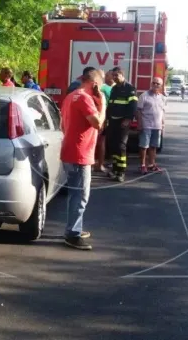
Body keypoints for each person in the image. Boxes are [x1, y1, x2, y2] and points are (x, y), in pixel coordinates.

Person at [60, 69, 106, 250]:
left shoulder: (71, 96)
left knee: (74, 194)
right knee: (80, 196)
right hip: (80, 154)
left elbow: (63, 125)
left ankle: (74, 227)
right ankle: (72, 234)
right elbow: (98, 123)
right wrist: (103, 105)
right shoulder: (85, 99)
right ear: (94, 84)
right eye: (100, 86)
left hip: (70, 151)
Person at [106, 67, 138, 182]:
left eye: (116, 75)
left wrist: (128, 119)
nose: (114, 78)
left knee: (121, 146)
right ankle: (115, 170)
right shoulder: (114, 88)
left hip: (123, 122)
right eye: (112, 76)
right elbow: (111, 104)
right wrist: (107, 118)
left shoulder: (130, 88)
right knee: (113, 146)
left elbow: (133, 105)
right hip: (113, 121)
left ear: (121, 75)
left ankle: (121, 172)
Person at [137, 77, 166, 174]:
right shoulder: (144, 96)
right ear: (151, 83)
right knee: (144, 146)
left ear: (161, 86)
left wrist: (162, 124)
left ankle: (151, 165)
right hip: (146, 125)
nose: (155, 85)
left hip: (157, 126)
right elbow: (139, 111)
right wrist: (140, 124)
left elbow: (162, 112)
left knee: (154, 146)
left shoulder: (162, 98)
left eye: (158, 84)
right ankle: (142, 165)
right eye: (154, 83)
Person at [94, 70, 114, 173]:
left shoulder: (90, 88)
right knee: (101, 142)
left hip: (90, 118)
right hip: (102, 119)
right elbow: (112, 104)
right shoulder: (108, 89)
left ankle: (90, 163)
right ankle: (100, 164)